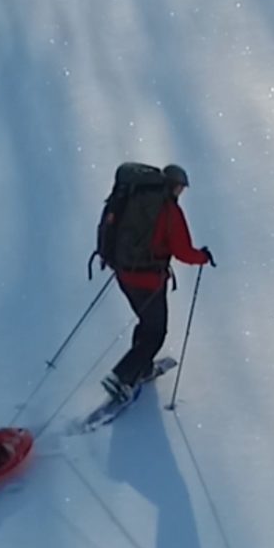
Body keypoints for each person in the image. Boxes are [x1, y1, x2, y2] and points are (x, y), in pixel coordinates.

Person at [104, 163, 213, 402]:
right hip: (149, 280)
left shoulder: (134, 199)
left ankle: (140, 369)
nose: (181, 193)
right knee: (156, 332)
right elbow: (182, 250)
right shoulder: (168, 210)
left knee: (147, 322)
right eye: (181, 188)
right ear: (174, 186)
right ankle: (121, 377)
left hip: (123, 273)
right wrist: (202, 257)